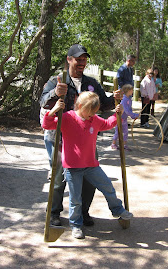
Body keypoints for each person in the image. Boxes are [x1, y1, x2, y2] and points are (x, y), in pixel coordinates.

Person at [39, 44, 123, 227]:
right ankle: (54, 212)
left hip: (85, 140)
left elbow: (103, 104)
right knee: (59, 177)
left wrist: (116, 98)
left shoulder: (90, 83)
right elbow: (43, 101)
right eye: (78, 59)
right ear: (69, 59)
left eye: (84, 59)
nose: (81, 62)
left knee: (89, 178)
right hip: (59, 138)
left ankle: (83, 212)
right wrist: (55, 93)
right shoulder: (57, 81)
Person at [42, 91, 133, 239]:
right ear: (79, 106)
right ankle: (76, 225)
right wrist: (53, 110)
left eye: (94, 113)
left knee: (107, 186)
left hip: (91, 165)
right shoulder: (67, 118)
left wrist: (118, 113)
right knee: (75, 199)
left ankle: (117, 210)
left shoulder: (94, 120)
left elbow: (108, 123)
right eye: (89, 113)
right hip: (72, 168)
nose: (91, 116)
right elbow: (47, 124)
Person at [111, 84, 139, 151]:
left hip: (124, 119)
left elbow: (129, 109)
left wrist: (133, 116)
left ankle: (124, 144)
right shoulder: (123, 99)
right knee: (118, 132)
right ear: (128, 91)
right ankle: (113, 144)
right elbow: (126, 111)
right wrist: (134, 115)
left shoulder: (129, 99)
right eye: (132, 90)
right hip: (119, 118)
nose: (132, 91)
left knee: (126, 132)